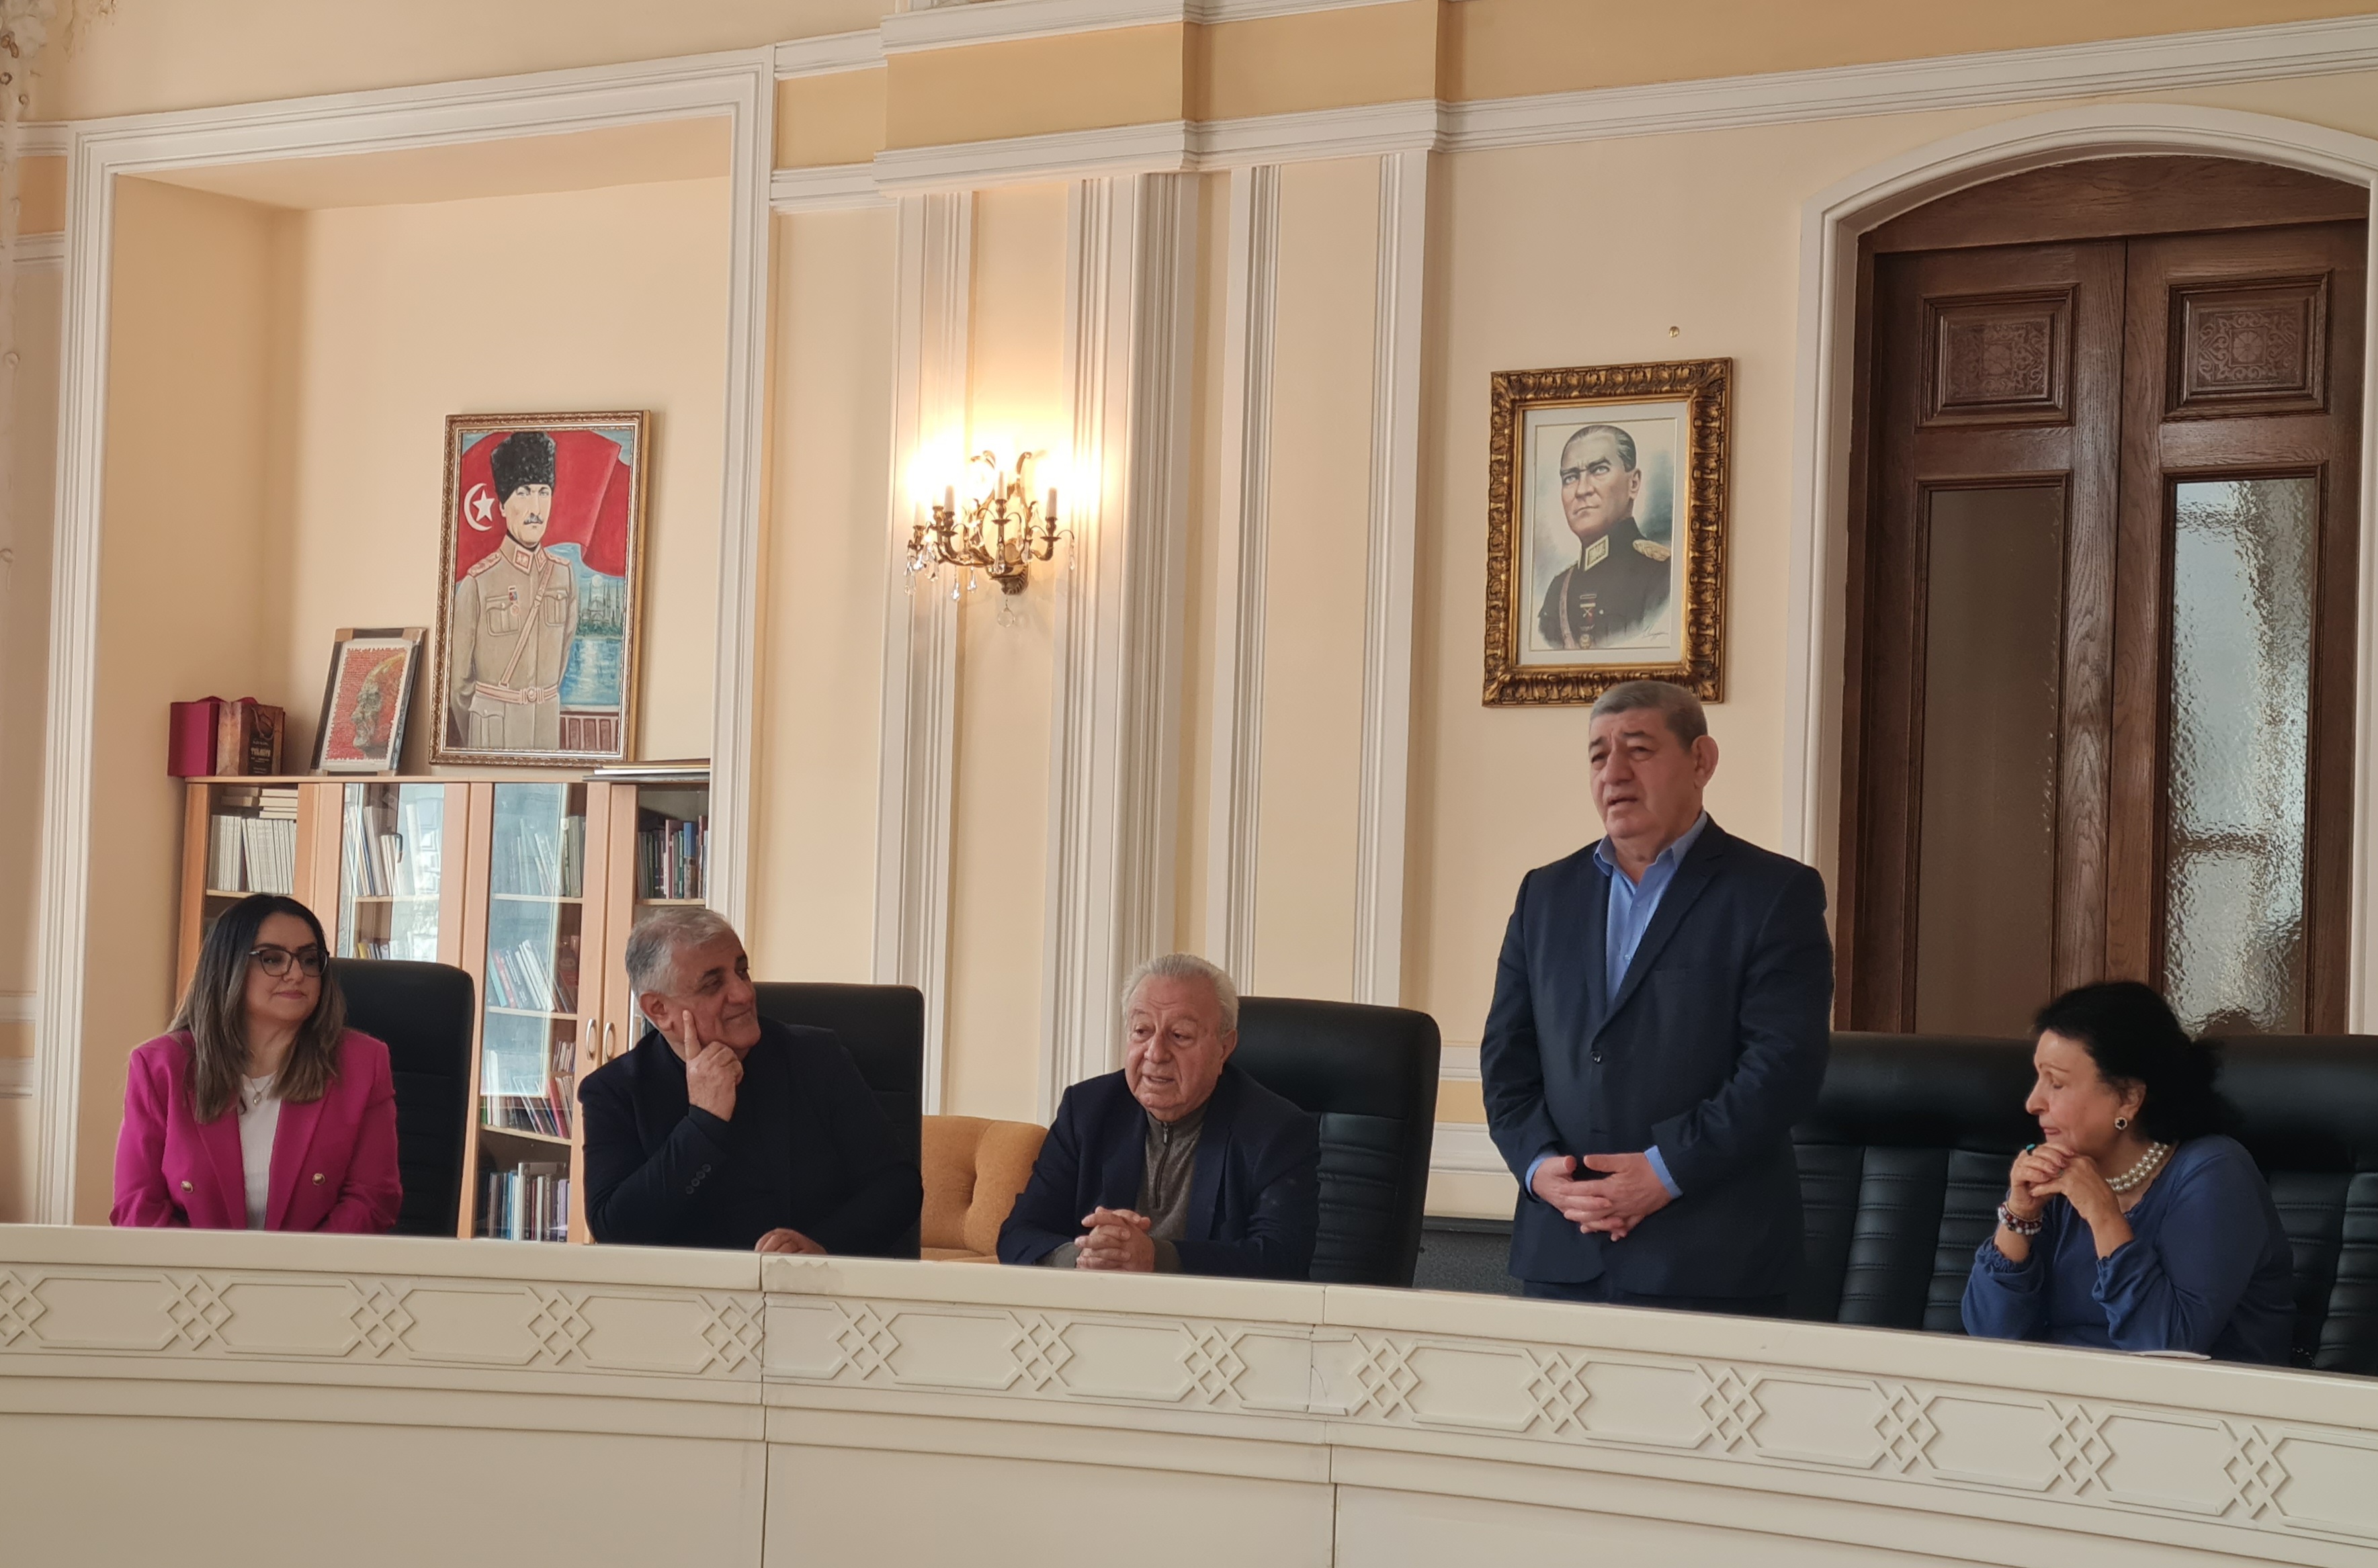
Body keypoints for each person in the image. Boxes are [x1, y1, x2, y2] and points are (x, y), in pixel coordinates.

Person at [1480, 679, 1831, 1313]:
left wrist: (1664, 1172)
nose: (1613, 773)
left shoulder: (1773, 894)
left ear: (1701, 761)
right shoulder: (1545, 895)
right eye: (1597, 756)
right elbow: (1506, 1059)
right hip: (1564, 1249)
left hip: (1711, 1260)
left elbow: (1782, 1068)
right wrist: (1539, 1170)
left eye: (1638, 750)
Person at [1963, 982, 2295, 1364]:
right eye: (2038, 1079)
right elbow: (1990, 1337)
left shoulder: (2216, 1173)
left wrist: (2104, 1215)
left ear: (2128, 1098)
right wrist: (2020, 1215)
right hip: (2063, 1392)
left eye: (2056, 1083)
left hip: (2193, 1399)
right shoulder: (2062, 1170)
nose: (2033, 1102)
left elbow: (2167, 1346)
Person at [579, 907, 921, 1255]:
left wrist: (823, 1248)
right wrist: (703, 1124)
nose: (744, 994)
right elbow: (615, 1229)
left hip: (811, 1283)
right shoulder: (614, 1091)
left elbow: (898, 1185)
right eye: (713, 985)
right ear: (659, 1010)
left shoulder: (815, 1057)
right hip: (684, 1287)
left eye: (742, 972)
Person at [999, 953, 1318, 1278]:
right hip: (1095, 1307)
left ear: (1225, 1047)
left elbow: (1282, 1259)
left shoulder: (1275, 1131)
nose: (1155, 1053)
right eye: (1142, 1031)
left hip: (1209, 1310)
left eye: (1180, 1035)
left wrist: (1156, 1258)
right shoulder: (1086, 1111)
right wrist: (1086, 1257)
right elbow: (1018, 1234)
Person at [112, 894, 402, 1232]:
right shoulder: (160, 1067)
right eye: (272, 959)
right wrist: (210, 1266)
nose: (297, 974)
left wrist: (297, 1265)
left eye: (309, 960)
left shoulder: (362, 1064)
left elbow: (371, 1199)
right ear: (229, 966)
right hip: (187, 1266)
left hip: (319, 1265)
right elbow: (137, 1207)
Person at [448, 429, 577, 751]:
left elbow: (562, 659)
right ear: (503, 505)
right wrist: (480, 733)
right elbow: (459, 686)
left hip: (546, 731)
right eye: (523, 492)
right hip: (492, 736)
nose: (536, 507)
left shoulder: (564, 576)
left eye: (544, 492)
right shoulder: (478, 582)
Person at [1537, 424, 1672, 650]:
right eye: (1570, 478)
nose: (1582, 490)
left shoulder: (1663, 573)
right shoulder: (1558, 590)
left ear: (1634, 483)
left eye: (1599, 470)